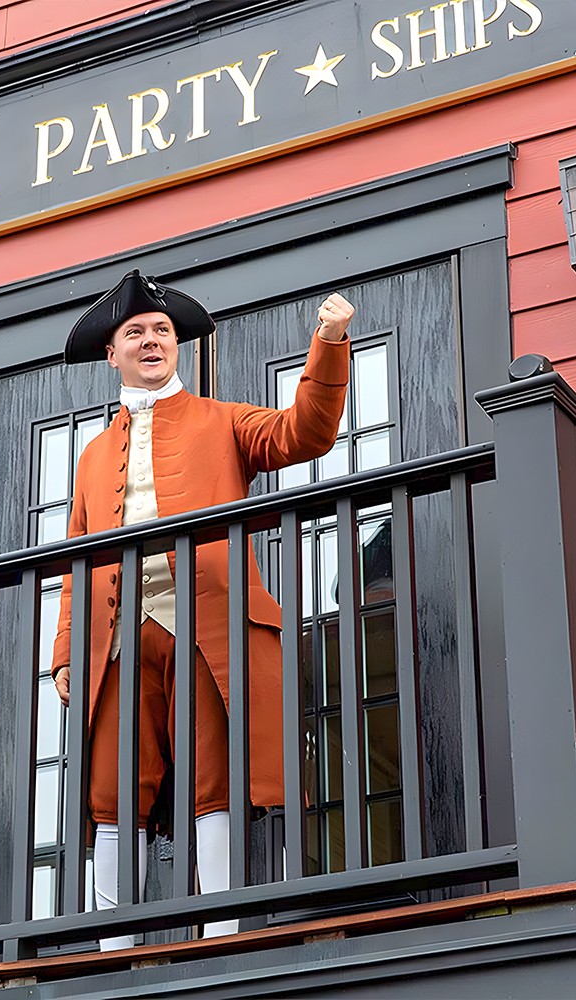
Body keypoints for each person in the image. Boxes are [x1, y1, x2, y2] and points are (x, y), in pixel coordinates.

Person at [49, 269, 352, 948]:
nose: (152, 340)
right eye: (137, 334)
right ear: (112, 353)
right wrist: (68, 648)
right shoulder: (95, 454)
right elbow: (78, 556)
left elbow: (305, 433)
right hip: (122, 637)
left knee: (215, 779)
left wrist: (328, 344)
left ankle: (222, 932)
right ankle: (114, 948)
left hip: (205, 626)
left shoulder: (224, 420)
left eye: (162, 331)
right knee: (112, 789)